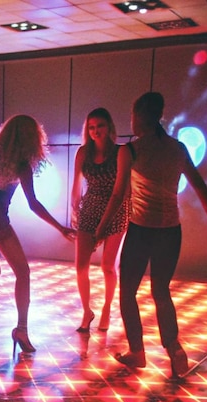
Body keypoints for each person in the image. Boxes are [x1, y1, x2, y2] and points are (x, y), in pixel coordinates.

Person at [95, 92, 207, 378]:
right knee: (161, 292)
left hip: (142, 230)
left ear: (138, 117)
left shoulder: (130, 150)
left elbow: (118, 194)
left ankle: (137, 351)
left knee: (128, 292)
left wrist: (101, 228)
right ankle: (174, 348)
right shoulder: (177, 148)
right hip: (171, 232)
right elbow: (199, 185)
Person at [0, 115, 76, 355]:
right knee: (23, 272)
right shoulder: (22, 164)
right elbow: (33, 204)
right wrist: (61, 228)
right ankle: (21, 329)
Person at [71, 108, 130, 333]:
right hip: (91, 205)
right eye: (92, 127)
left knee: (107, 266)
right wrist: (74, 207)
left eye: (100, 126)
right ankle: (87, 310)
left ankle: (106, 308)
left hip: (116, 208)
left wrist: (103, 226)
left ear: (109, 127)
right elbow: (76, 184)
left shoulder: (121, 152)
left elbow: (121, 191)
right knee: (80, 266)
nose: (96, 131)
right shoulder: (83, 153)